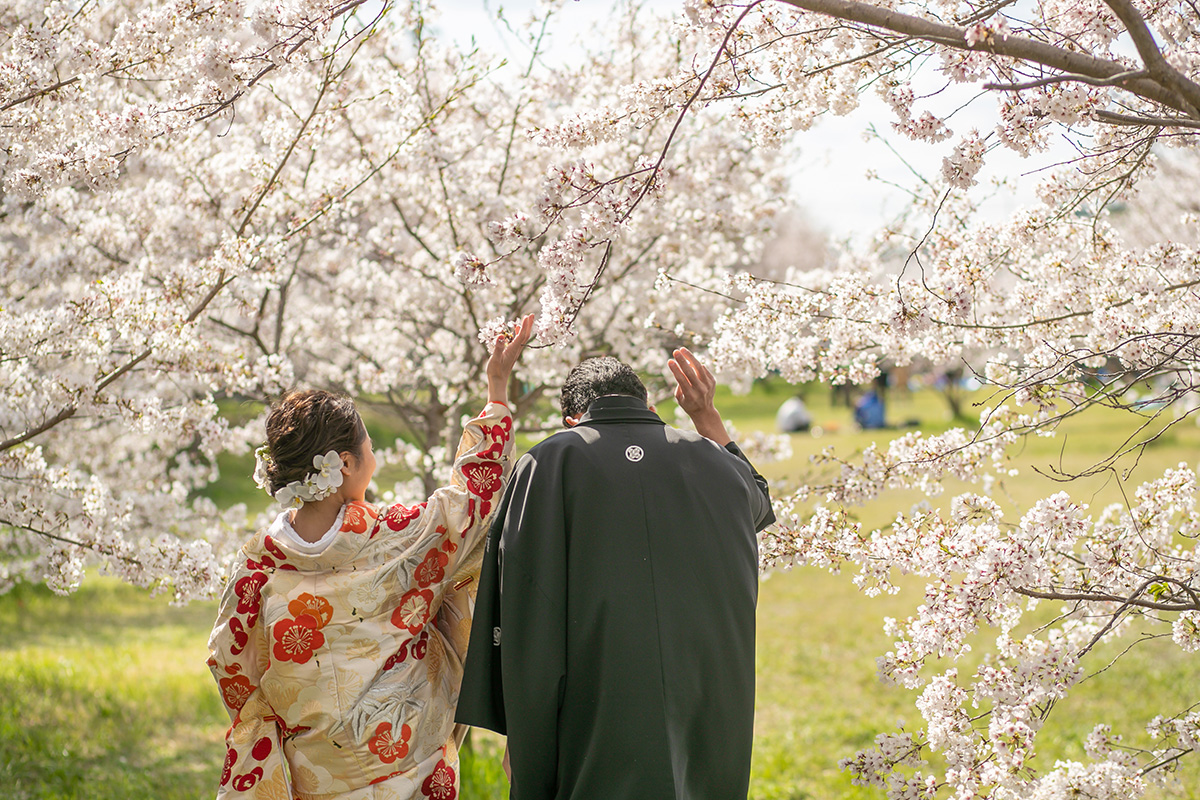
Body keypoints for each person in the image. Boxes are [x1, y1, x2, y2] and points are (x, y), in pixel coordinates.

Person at [206, 316, 532, 800]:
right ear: (345, 464)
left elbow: (230, 662)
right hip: (410, 759)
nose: (374, 456)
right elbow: (472, 505)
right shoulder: (396, 537)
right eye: (368, 447)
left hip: (314, 773)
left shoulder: (258, 568)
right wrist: (497, 389)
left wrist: (279, 725)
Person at [455, 348, 776, 800]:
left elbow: (526, 606)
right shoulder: (714, 461)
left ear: (572, 420)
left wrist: (525, 733)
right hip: (701, 700)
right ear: (649, 408)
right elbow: (758, 502)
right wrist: (706, 416)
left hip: (594, 704)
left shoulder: (549, 462)